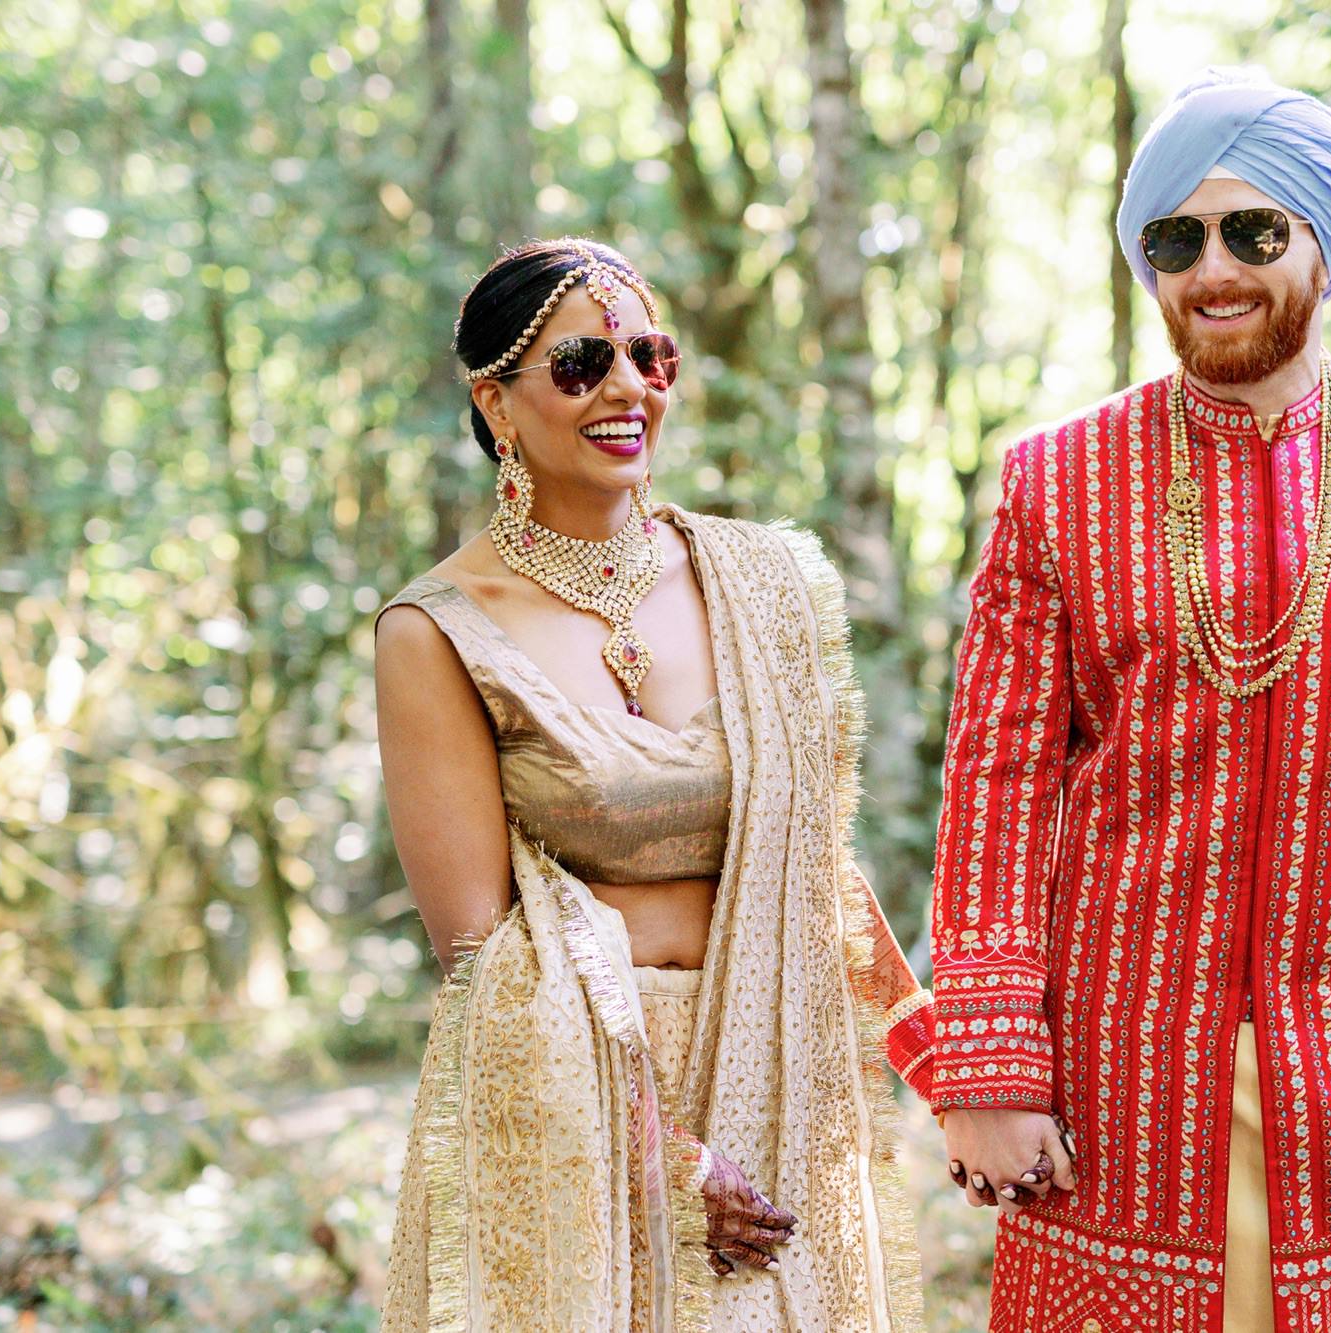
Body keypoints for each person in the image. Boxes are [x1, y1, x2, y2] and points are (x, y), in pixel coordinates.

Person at [927, 70, 1331, 1332]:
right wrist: (986, 1064)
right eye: (1174, 238)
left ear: (1325, 240)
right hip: (1119, 1085)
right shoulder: (1057, 482)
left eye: (1252, 232)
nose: (1211, 268)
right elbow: (994, 785)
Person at [373, 237, 935, 1330]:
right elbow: (481, 959)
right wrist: (667, 1163)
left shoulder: (756, 579)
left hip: (776, 1074)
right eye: (582, 364)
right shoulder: (437, 627)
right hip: (573, 1111)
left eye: (650, 355)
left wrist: (947, 1072)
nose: (629, 386)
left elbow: (817, 872)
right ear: (496, 403)